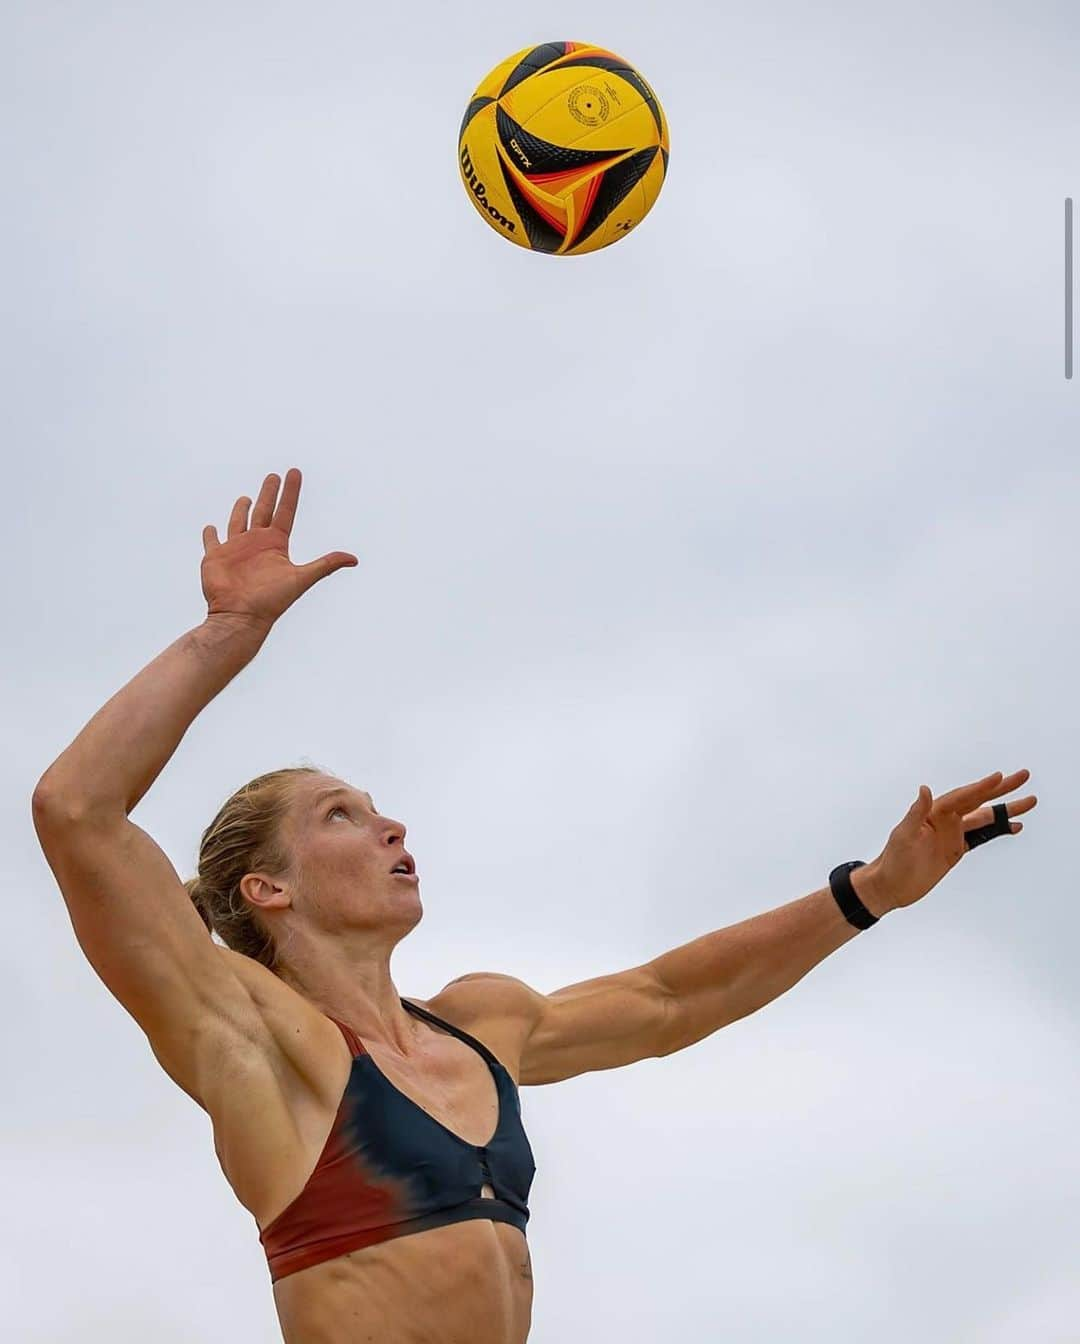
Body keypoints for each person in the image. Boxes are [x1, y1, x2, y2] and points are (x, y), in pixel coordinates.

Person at [31, 469, 1037, 1344]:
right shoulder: (251, 1035)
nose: (391, 829)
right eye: (343, 816)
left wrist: (870, 893)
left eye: (381, 809)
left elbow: (667, 1001)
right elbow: (75, 812)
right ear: (269, 889)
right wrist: (227, 634)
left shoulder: (481, 1025)